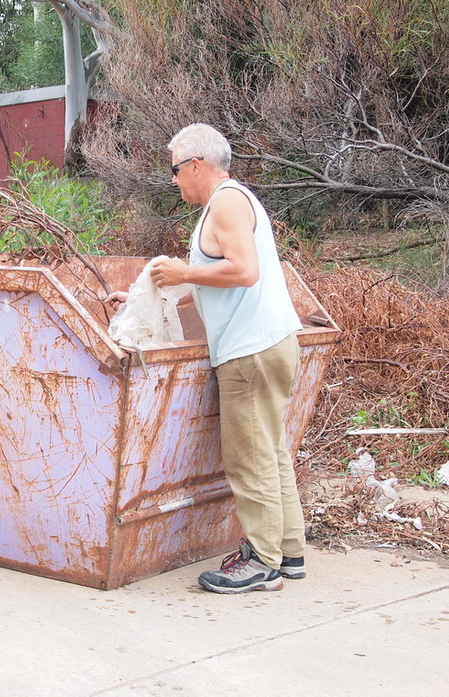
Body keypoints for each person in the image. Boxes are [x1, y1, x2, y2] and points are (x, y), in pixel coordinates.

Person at [105, 123, 305, 594]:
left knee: (248, 458)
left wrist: (181, 269)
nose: (174, 180)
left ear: (196, 164)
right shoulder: (231, 202)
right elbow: (212, 280)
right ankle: (290, 551)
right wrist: (145, 297)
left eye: (176, 170)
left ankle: (261, 562)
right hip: (269, 343)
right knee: (271, 451)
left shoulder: (228, 201)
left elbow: (243, 271)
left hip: (250, 350)